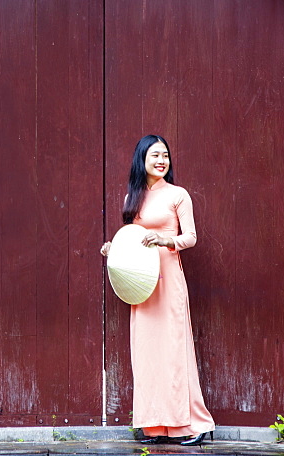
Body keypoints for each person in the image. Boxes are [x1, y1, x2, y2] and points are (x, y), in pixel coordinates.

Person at [101, 134, 215, 447]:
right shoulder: (132, 198)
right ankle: (154, 426)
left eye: (165, 155)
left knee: (175, 351)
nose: (161, 160)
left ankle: (195, 425)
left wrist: (165, 240)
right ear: (142, 160)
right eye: (155, 155)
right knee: (147, 353)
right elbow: (131, 237)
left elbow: (190, 237)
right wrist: (115, 248)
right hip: (142, 283)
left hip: (169, 279)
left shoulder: (178, 195)